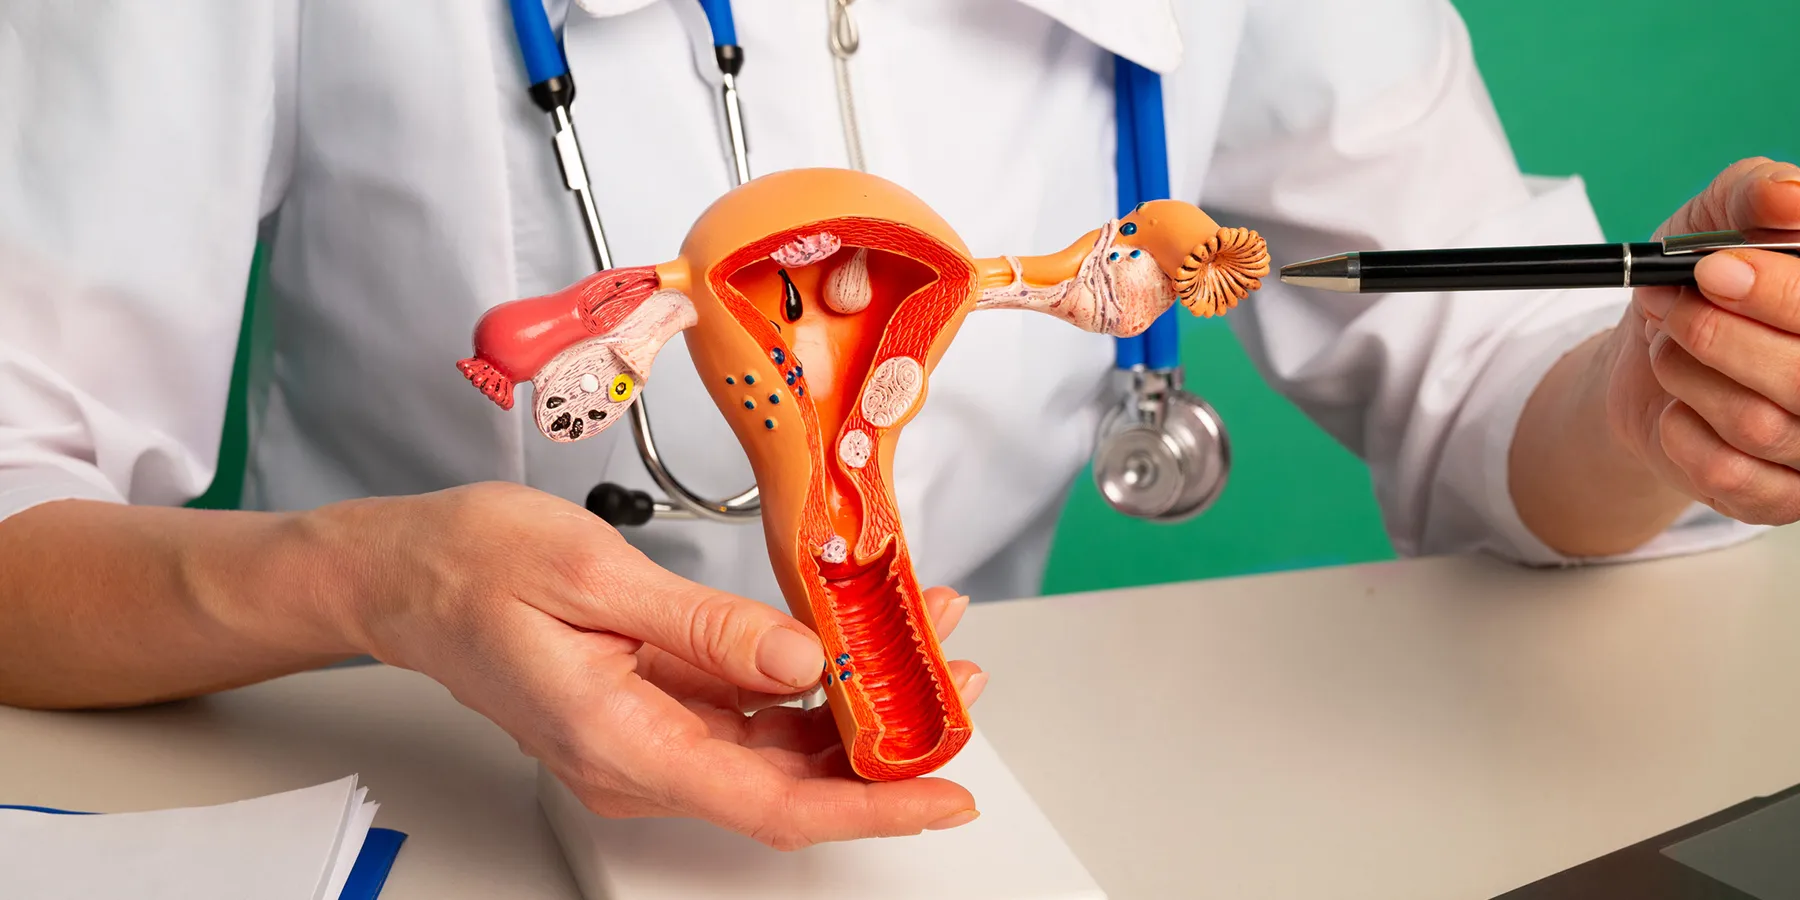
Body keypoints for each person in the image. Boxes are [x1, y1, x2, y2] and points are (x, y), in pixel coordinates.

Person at [1, 0, 1794, 851]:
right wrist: (372, 580)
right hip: (418, 819)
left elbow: (1480, 383)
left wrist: (1653, 407)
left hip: (947, 819)